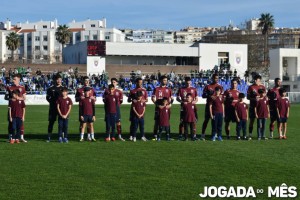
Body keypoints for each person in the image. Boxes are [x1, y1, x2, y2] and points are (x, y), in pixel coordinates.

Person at [5, 73, 27, 142]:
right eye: (13, 79)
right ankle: (10, 137)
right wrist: (11, 99)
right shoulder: (9, 88)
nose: (13, 80)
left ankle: (21, 137)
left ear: (18, 80)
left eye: (15, 79)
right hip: (11, 108)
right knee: (10, 122)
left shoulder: (22, 88)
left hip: (19, 108)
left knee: (20, 123)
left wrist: (19, 98)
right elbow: (5, 97)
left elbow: (24, 98)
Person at [201, 74, 223, 140]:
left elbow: (222, 95)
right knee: (206, 120)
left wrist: (221, 96)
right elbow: (203, 95)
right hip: (209, 106)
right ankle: (203, 134)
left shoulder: (220, 87)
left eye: (218, 78)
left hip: (217, 107)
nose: (217, 79)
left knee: (216, 121)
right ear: (212, 78)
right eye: (215, 78)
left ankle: (215, 134)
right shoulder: (208, 86)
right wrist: (210, 96)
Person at [151, 75, 173, 140]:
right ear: (160, 81)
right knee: (157, 121)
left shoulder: (169, 89)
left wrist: (170, 104)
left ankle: (168, 135)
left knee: (167, 121)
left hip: (167, 109)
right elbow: (153, 98)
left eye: (166, 80)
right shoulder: (156, 89)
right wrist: (158, 105)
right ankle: (155, 135)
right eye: (164, 80)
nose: (165, 81)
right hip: (159, 108)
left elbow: (171, 99)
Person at [247, 74, 266, 140]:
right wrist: (255, 99)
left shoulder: (263, 87)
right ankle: (250, 134)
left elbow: (265, 96)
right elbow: (248, 97)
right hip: (253, 106)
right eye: (255, 79)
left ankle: (261, 135)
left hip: (261, 108)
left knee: (261, 122)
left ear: (259, 80)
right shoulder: (251, 87)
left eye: (257, 80)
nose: (255, 81)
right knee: (252, 121)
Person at [46, 74, 63, 142]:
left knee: (61, 123)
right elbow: (47, 97)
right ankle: (49, 137)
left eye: (60, 79)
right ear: (55, 80)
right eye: (57, 79)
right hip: (53, 108)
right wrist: (52, 102)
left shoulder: (63, 88)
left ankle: (60, 136)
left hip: (61, 109)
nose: (59, 81)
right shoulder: (50, 88)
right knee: (51, 122)